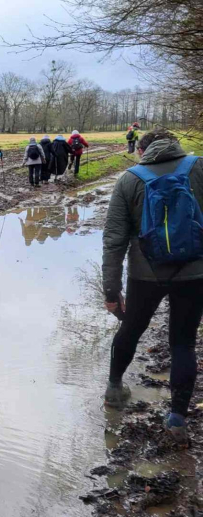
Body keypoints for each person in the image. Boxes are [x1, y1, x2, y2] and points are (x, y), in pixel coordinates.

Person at [101, 129, 203, 446]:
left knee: (131, 329)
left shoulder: (129, 180)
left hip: (145, 275)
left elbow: (114, 240)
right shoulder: (200, 168)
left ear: (141, 149)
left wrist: (111, 290)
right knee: (183, 343)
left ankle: (115, 390)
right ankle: (176, 420)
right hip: (194, 273)